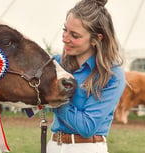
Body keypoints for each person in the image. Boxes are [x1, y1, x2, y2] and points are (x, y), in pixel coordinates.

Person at [47, 0, 126, 153]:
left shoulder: (111, 74)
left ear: (97, 39)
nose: (65, 38)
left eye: (74, 35)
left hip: (87, 148)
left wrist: (53, 96)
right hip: (53, 145)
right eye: (65, 30)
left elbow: (86, 126)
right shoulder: (56, 63)